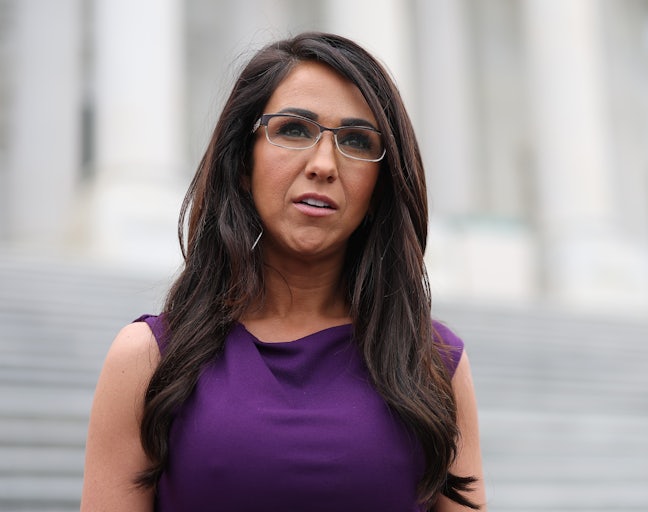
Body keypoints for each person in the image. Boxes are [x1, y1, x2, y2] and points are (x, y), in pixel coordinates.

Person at [81, 32, 485, 511]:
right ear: (243, 162)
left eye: (356, 140)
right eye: (294, 129)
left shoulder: (435, 366)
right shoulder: (147, 362)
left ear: (380, 186)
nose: (323, 165)